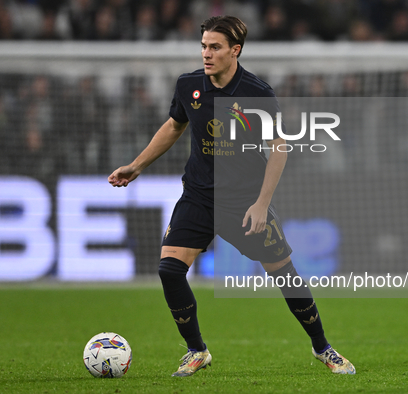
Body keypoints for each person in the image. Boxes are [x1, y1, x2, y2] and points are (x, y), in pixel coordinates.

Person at [108, 15, 355, 377]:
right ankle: (196, 350)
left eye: (215, 47)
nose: (206, 54)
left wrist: (262, 204)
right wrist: (137, 165)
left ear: (235, 51)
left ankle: (324, 348)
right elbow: (175, 125)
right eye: (204, 46)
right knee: (169, 270)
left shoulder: (257, 93)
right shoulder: (189, 85)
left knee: (285, 275)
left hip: (244, 202)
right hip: (198, 197)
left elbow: (279, 146)